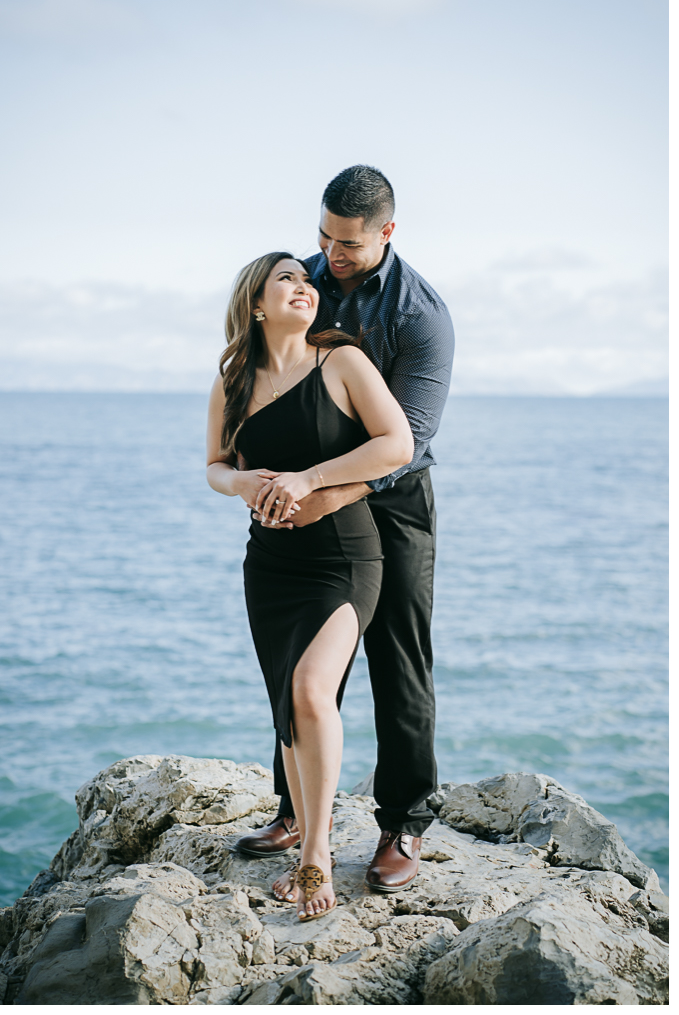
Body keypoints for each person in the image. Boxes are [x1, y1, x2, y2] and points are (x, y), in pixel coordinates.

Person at [235, 166, 455, 897]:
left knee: (398, 654)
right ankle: (295, 810)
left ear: (386, 233)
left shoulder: (421, 316)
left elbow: (411, 440)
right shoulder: (307, 278)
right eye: (324, 235)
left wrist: (328, 491)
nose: (331, 252)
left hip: (391, 500)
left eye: (349, 243)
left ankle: (403, 822)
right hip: (306, 494)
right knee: (299, 654)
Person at [206, 251, 414, 921]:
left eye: (306, 279)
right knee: (286, 709)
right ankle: (303, 842)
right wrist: (243, 482)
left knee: (309, 689)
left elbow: (397, 444)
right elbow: (214, 465)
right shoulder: (233, 380)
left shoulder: (342, 362)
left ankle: (315, 855)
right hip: (268, 565)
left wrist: (309, 479)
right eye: (285, 280)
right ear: (256, 304)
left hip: (345, 556)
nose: (304, 287)